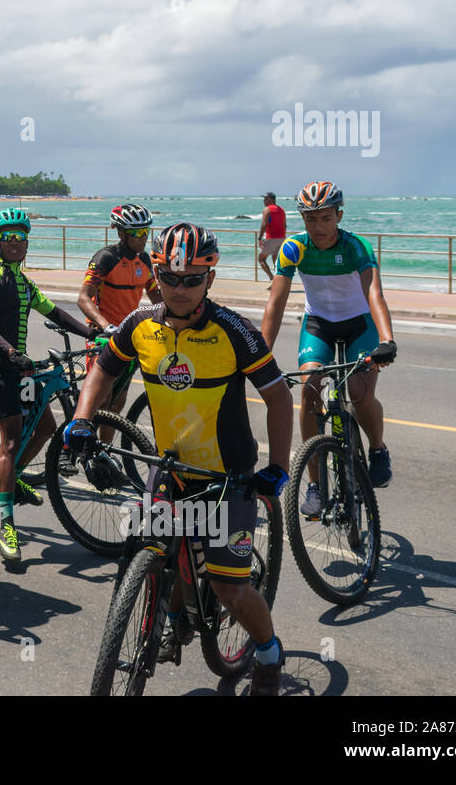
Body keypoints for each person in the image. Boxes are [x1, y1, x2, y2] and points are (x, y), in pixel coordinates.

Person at [67, 223, 293, 696]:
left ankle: (269, 654)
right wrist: (83, 419)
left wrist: (279, 467)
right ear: (156, 275)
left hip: (227, 477)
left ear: (210, 278)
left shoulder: (234, 332)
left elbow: (276, 396)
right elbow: (102, 373)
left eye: (193, 278)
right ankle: (173, 617)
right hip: (170, 469)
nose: (180, 288)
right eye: (170, 278)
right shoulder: (140, 326)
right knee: (161, 553)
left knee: (231, 589)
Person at [260, 181, 398, 502]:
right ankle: (314, 484)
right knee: (309, 388)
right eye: (310, 219)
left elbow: (374, 294)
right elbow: (275, 304)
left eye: (325, 218)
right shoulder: (294, 248)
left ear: (339, 214)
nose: (318, 227)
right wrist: (262, 355)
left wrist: (387, 340)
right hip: (319, 324)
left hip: (358, 325)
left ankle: (377, 448)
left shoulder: (356, 247)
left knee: (359, 392)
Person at [0, 207, 91, 563]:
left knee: (46, 428)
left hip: (22, 368)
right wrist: (8, 351)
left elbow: (54, 312)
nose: (15, 243)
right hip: (0, 367)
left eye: (20, 237)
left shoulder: (24, 282)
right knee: (10, 440)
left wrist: (93, 335)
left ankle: (8, 479)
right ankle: (6, 523)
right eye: (8, 237)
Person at [76, 203, 162, 436]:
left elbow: (157, 298)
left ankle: (103, 455)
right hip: (103, 336)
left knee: (118, 401)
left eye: (146, 232)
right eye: (136, 233)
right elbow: (83, 298)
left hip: (128, 336)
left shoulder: (145, 260)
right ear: (121, 232)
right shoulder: (105, 258)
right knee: (100, 397)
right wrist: (106, 326)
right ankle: (70, 447)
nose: (143, 238)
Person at [257, 192, 286, 285]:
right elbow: (285, 225)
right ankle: (279, 280)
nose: (264, 201)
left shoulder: (267, 209)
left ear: (271, 200)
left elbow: (264, 224)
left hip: (271, 238)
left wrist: (260, 238)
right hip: (282, 238)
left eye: (266, 199)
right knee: (276, 260)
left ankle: (272, 278)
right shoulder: (282, 209)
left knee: (261, 259)